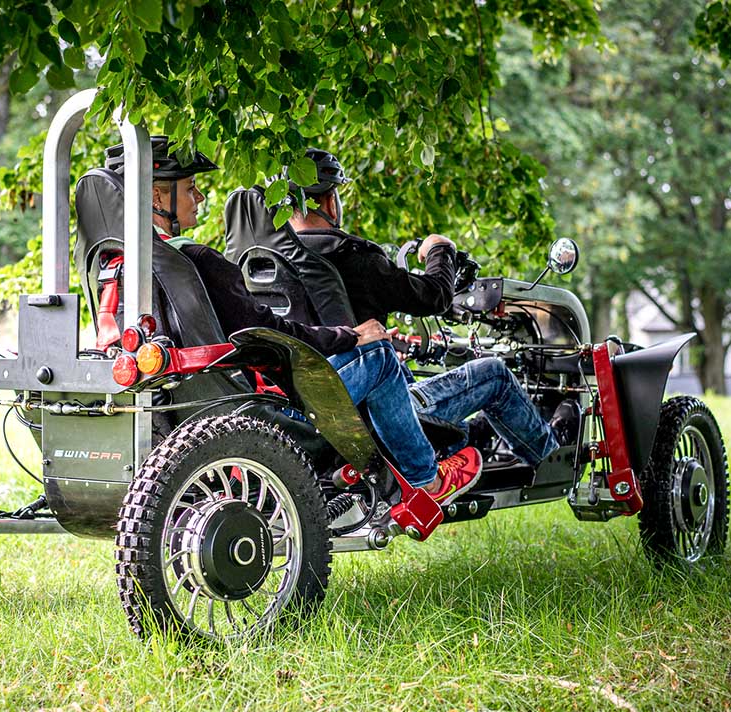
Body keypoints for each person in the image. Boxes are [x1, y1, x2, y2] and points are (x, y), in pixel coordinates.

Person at [140, 137, 482, 504]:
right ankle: (426, 481)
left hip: (187, 407)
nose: (201, 198)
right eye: (191, 188)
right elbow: (269, 331)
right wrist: (349, 337)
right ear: (158, 199)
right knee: (379, 355)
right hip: (263, 408)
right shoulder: (200, 262)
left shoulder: (141, 267)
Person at [288, 148, 579, 464]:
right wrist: (441, 249)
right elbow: (435, 296)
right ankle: (555, 458)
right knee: (494, 373)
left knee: (406, 371)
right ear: (331, 201)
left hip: (313, 403)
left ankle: (475, 436)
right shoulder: (353, 258)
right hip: (378, 412)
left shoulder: (272, 260)